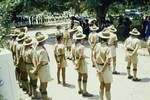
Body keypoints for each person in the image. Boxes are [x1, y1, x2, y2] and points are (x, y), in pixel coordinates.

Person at [93, 30, 113, 100]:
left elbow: (93, 58)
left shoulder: (97, 46)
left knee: (101, 84)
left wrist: (97, 68)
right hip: (105, 68)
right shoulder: (108, 48)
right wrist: (102, 70)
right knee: (108, 86)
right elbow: (107, 61)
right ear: (108, 38)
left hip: (98, 67)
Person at [73, 32, 93, 97]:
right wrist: (78, 64)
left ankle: (80, 89)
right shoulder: (81, 47)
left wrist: (75, 63)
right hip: (81, 62)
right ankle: (84, 91)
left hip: (77, 60)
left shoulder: (74, 45)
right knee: (85, 76)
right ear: (81, 39)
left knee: (79, 75)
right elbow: (81, 56)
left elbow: (73, 55)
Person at [34, 34, 51, 100]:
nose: (45, 40)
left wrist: (36, 70)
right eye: (44, 40)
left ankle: (43, 96)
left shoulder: (37, 47)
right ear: (42, 41)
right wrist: (36, 70)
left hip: (41, 68)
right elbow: (40, 62)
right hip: (43, 67)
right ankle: (45, 98)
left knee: (42, 83)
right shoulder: (42, 51)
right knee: (44, 85)